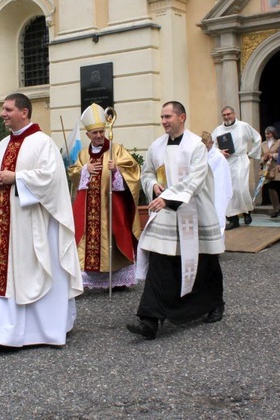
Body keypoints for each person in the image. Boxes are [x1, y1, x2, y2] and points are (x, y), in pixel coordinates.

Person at [0, 93, 83, 353]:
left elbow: (52, 180)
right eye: (3, 110)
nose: (3, 114)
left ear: (24, 112)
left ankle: (37, 330)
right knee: (4, 276)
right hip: (4, 226)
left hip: (31, 225)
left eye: (8, 109)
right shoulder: (2, 145)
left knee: (30, 273)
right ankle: (0, 332)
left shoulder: (42, 143)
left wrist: (17, 178)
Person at [127, 102, 226, 340]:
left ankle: (214, 303)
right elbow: (147, 172)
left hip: (194, 211)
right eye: (161, 116)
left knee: (203, 263)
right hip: (167, 212)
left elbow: (196, 179)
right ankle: (149, 319)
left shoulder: (195, 146)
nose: (163, 120)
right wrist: (153, 185)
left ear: (182, 117)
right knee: (160, 262)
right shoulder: (156, 146)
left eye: (168, 116)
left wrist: (169, 198)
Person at [68, 103, 141, 290]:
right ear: (88, 135)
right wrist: (85, 170)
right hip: (87, 211)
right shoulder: (83, 154)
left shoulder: (116, 150)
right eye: (95, 133)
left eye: (101, 131)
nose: (99, 135)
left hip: (110, 208)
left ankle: (117, 280)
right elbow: (73, 173)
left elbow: (133, 170)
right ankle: (86, 279)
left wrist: (117, 170)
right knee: (84, 241)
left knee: (113, 238)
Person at [211, 106, 262, 230]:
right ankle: (233, 219)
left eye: (229, 114)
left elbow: (257, 138)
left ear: (234, 114)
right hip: (226, 162)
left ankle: (247, 211)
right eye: (224, 115)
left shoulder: (243, 126)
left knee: (240, 189)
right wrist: (219, 152)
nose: (227, 117)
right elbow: (211, 146)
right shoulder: (218, 130)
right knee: (228, 190)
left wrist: (251, 154)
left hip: (240, 161)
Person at [201, 131, 233, 236]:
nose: (205, 148)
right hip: (204, 190)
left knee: (217, 215)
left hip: (217, 190)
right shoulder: (200, 154)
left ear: (212, 142)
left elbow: (221, 177)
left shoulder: (218, 157)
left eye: (207, 146)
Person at [260, 126, 280, 218]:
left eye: (269, 133)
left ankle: (278, 207)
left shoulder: (279, 142)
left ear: (273, 134)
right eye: (266, 133)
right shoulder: (263, 144)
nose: (267, 135)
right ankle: (276, 208)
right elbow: (261, 159)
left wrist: (273, 155)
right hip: (268, 169)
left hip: (277, 168)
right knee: (270, 187)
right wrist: (264, 158)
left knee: (275, 186)